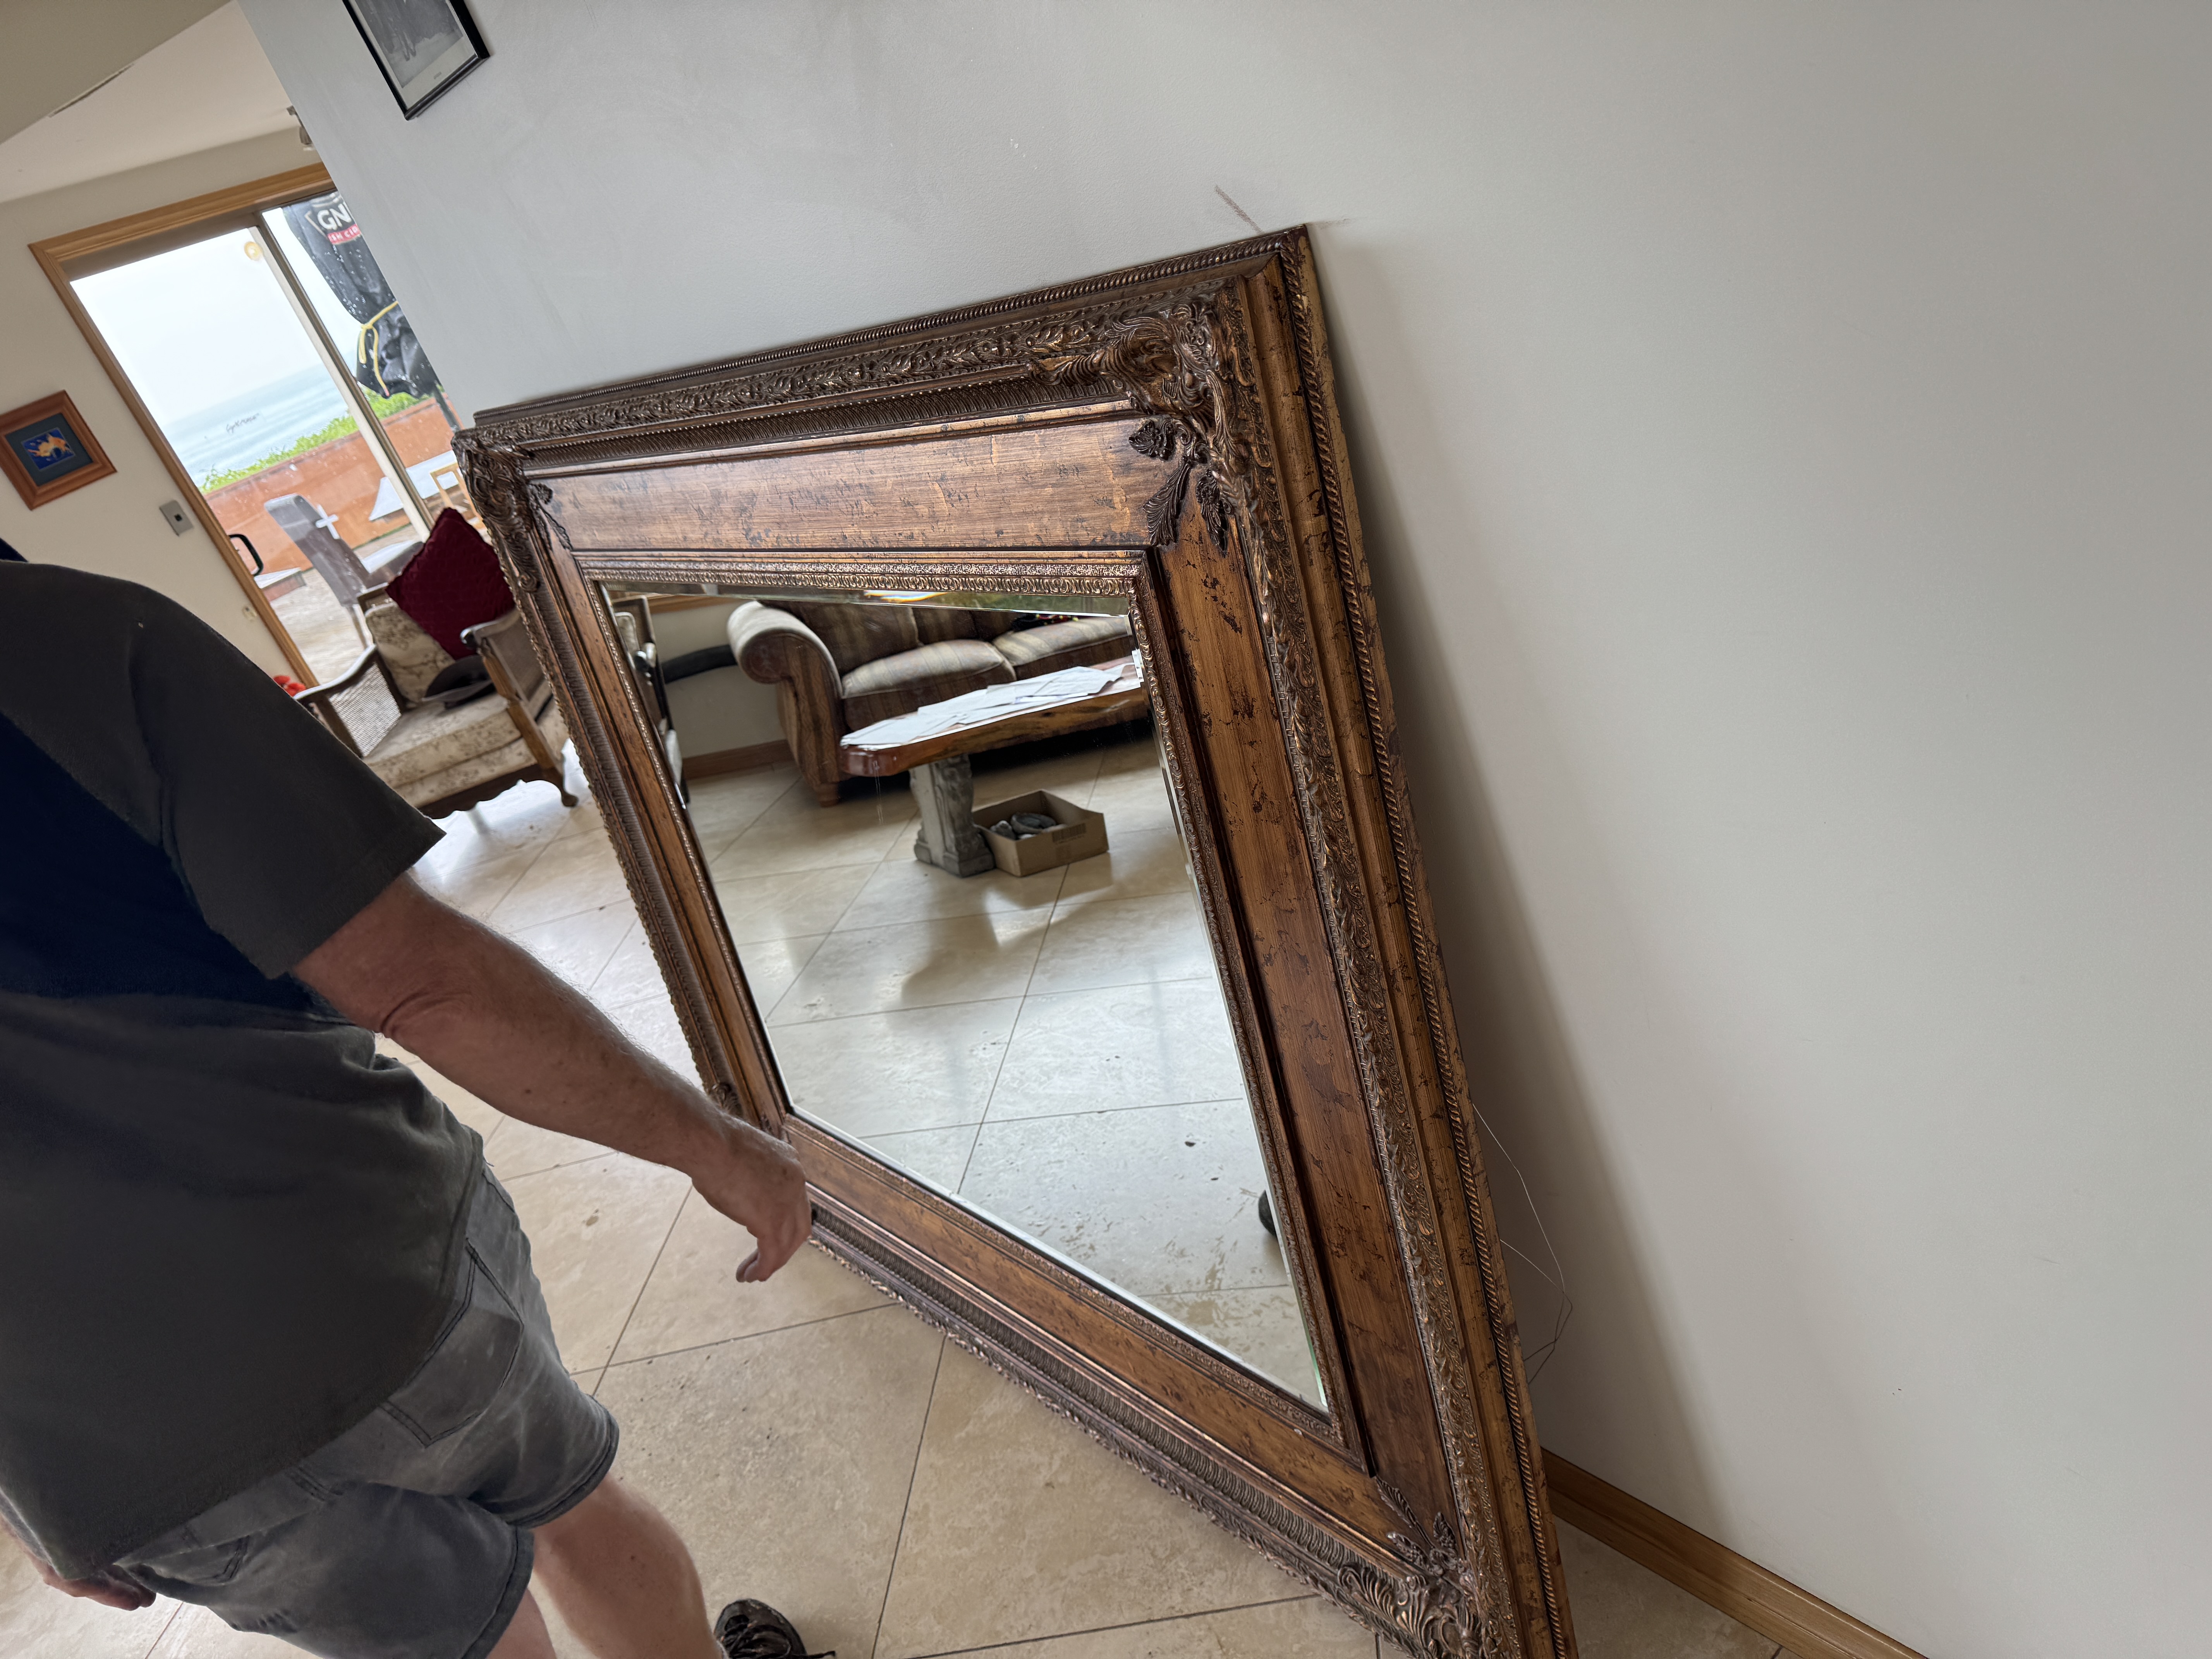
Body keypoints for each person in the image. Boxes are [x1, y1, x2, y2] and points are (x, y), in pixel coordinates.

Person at [0, 562, 828, 1659]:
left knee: (457, 1644)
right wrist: (717, 1145)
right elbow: (418, 982)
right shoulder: (71, 639)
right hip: (353, 1275)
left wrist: (25, 1493)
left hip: (90, 1437)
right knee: (571, 1510)